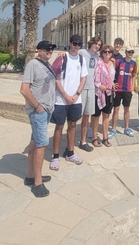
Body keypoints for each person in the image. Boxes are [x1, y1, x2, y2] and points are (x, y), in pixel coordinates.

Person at [20, 40, 56, 197]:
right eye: (47, 49)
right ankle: (37, 183)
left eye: (51, 49)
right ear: (39, 50)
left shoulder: (46, 65)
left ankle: (30, 175)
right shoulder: (32, 65)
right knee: (41, 145)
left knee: (34, 142)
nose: (49, 51)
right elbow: (24, 89)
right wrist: (37, 106)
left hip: (45, 110)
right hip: (39, 111)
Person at [49, 34, 88, 170]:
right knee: (59, 126)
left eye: (79, 44)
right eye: (75, 43)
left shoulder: (82, 59)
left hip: (76, 99)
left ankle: (70, 152)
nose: (77, 46)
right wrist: (65, 95)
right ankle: (55, 156)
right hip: (61, 99)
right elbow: (56, 78)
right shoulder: (62, 57)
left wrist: (76, 94)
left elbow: (83, 79)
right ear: (70, 43)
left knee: (72, 125)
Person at [78, 36, 102, 151]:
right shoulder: (82, 52)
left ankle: (83, 141)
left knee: (87, 115)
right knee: (76, 117)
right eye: (96, 44)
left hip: (91, 88)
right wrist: (62, 54)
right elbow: (71, 55)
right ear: (91, 43)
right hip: (81, 88)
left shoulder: (97, 56)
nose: (97, 46)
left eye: (99, 45)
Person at [91, 44, 116, 147]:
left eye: (109, 52)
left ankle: (105, 137)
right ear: (102, 53)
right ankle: (94, 138)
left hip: (109, 92)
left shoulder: (113, 63)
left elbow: (112, 77)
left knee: (106, 115)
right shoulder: (98, 62)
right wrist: (99, 85)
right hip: (99, 92)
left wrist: (113, 84)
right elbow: (93, 76)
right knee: (96, 116)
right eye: (105, 52)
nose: (107, 54)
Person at [110, 45, 136, 138]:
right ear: (125, 52)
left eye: (132, 52)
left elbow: (133, 75)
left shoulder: (133, 63)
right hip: (118, 89)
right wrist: (112, 83)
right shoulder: (119, 62)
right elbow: (112, 71)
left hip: (127, 90)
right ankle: (113, 129)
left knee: (126, 109)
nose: (130, 54)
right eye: (129, 52)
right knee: (116, 109)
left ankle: (127, 128)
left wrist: (133, 85)